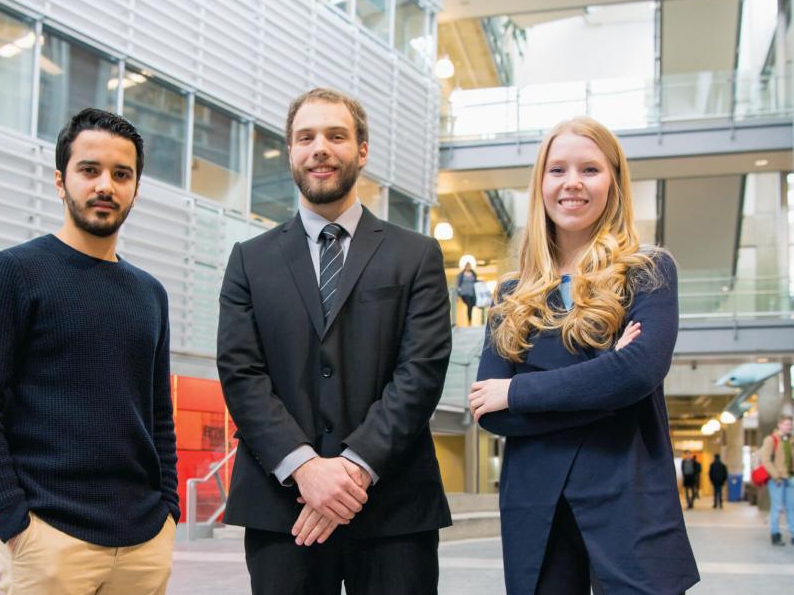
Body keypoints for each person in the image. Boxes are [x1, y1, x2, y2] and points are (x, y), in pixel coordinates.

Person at [217, 87, 452, 595]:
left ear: (362, 150)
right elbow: (241, 374)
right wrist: (305, 470)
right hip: (284, 511)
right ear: (291, 153)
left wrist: (351, 471)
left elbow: (421, 371)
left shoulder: (416, 256)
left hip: (394, 509)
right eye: (306, 137)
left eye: (336, 135)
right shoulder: (248, 261)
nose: (319, 148)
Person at [0, 109, 179, 595]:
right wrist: (14, 520)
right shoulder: (13, 273)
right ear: (61, 180)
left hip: (143, 543)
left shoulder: (150, 293)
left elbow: (159, 415)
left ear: (136, 188)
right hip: (49, 540)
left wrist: (169, 511)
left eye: (122, 174)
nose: (106, 186)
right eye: (89, 170)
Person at [468, 116, 699, 594]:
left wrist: (517, 390)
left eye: (590, 169)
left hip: (628, 494)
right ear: (541, 184)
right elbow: (488, 413)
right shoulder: (512, 292)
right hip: (538, 507)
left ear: (614, 182)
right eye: (558, 170)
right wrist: (606, 380)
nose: (572, 183)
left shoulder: (647, 271)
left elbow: (639, 372)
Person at [760, 415, 793, 546]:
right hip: (776, 479)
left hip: (790, 478)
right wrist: (776, 476)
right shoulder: (771, 439)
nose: (789, 427)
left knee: (792, 507)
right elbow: (766, 460)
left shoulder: (791, 440)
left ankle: (793, 533)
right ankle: (775, 534)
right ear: (779, 425)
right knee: (777, 507)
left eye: (790, 425)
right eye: (786, 424)